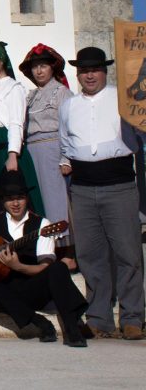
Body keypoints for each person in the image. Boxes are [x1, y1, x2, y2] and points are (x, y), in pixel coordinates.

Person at [59, 46, 144, 341]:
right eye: (84, 71)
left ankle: (133, 317)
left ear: (105, 71)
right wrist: (66, 163)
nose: (89, 75)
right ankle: (99, 318)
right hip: (82, 187)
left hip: (119, 183)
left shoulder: (125, 99)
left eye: (94, 69)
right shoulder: (68, 106)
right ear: (78, 74)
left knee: (127, 252)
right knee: (90, 255)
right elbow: (65, 143)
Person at [0, 170, 87, 347]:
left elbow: (45, 267)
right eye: (9, 198)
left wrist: (18, 266)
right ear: (2, 201)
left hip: (32, 289)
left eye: (20, 197)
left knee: (58, 268)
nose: (15, 203)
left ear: (27, 198)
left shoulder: (43, 225)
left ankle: (72, 328)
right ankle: (38, 321)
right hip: (5, 292)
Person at [0, 41, 45, 215]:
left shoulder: (13, 88)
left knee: (13, 198)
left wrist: (13, 154)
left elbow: (16, 123)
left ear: (1, 60)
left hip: (6, 150)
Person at [19, 44, 73, 236]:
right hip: (32, 152)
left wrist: (66, 158)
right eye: (35, 67)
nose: (39, 71)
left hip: (53, 150)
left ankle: (64, 246)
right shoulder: (31, 96)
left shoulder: (61, 92)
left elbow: (69, 127)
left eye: (43, 66)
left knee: (55, 198)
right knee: (38, 197)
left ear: (52, 68)